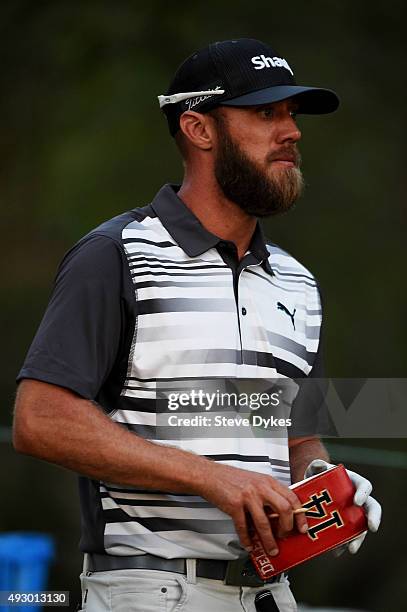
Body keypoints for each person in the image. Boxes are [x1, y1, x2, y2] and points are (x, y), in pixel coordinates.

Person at [13, 38, 381, 612]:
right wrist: (213, 478)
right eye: (267, 114)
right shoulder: (115, 254)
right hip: (150, 591)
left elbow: (295, 435)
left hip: (272, 593)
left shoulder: (297, 282)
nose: (292, 132)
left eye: (291, 115)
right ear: (199, 129)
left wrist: (325, 484)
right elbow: (40, 420)